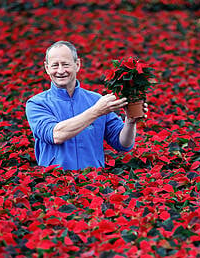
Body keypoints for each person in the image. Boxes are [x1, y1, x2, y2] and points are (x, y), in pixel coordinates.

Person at [25, 41, 146, 170]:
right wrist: (96, 111)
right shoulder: (36, 104)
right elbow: (56, 135)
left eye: (65, 64)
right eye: (55, 65)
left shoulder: (96, 100)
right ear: (47, 68)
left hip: (92, 183)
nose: (60, 71)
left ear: (77, 65)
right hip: (56, 183)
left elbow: (123, 144)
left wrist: (130, 122)